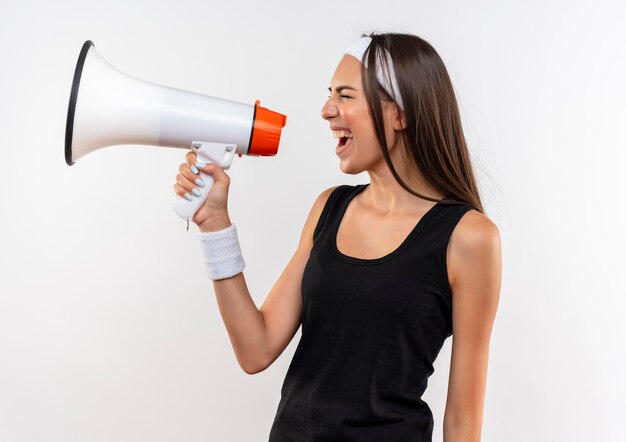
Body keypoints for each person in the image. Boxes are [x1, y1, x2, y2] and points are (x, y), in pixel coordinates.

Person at [173, 32, 501, 442]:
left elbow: (463, 424)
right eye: (330, 95)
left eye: (345, 96)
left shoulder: (468, 238)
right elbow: (254, 350)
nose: (327, 110)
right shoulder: (329, 208)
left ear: (399, 113)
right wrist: (215, 225)